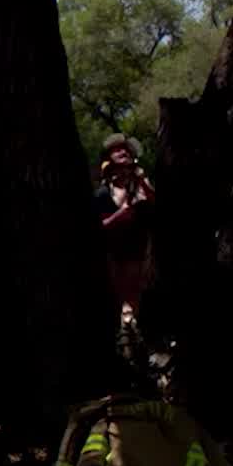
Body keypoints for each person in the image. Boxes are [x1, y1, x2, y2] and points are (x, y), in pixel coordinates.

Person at [94, 135, 154, 326]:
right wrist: (122, 214)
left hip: (140, 255)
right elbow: (98, 228)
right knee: (120, 303)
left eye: (126, 149)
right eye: (117, 149)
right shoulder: (103, 193)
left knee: (136, 301)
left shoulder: (139, 185)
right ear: (108, 159)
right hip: (113, 257)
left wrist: (142, 179)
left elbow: (155, 204)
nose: (123, 151)